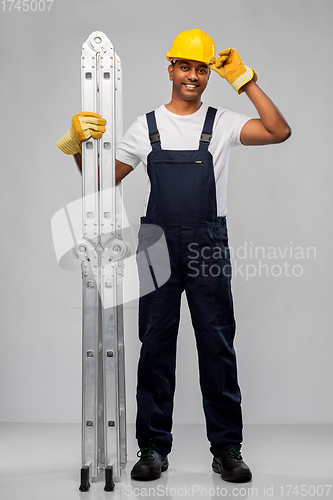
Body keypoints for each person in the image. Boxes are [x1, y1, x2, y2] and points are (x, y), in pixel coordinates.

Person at [57, 28, 291, 483]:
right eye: (185, 66)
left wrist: (244, 80)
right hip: (155, 247)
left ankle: (227, 449)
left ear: (209, 75)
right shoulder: (144, 127)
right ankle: (152, 448)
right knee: (155, 347)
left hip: (207, 245)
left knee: (217, 347)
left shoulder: (222, 122)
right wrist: (73, 145)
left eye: (202, 69)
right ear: (170, 68)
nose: (193, 76)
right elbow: (102, 181)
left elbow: (279, 131)